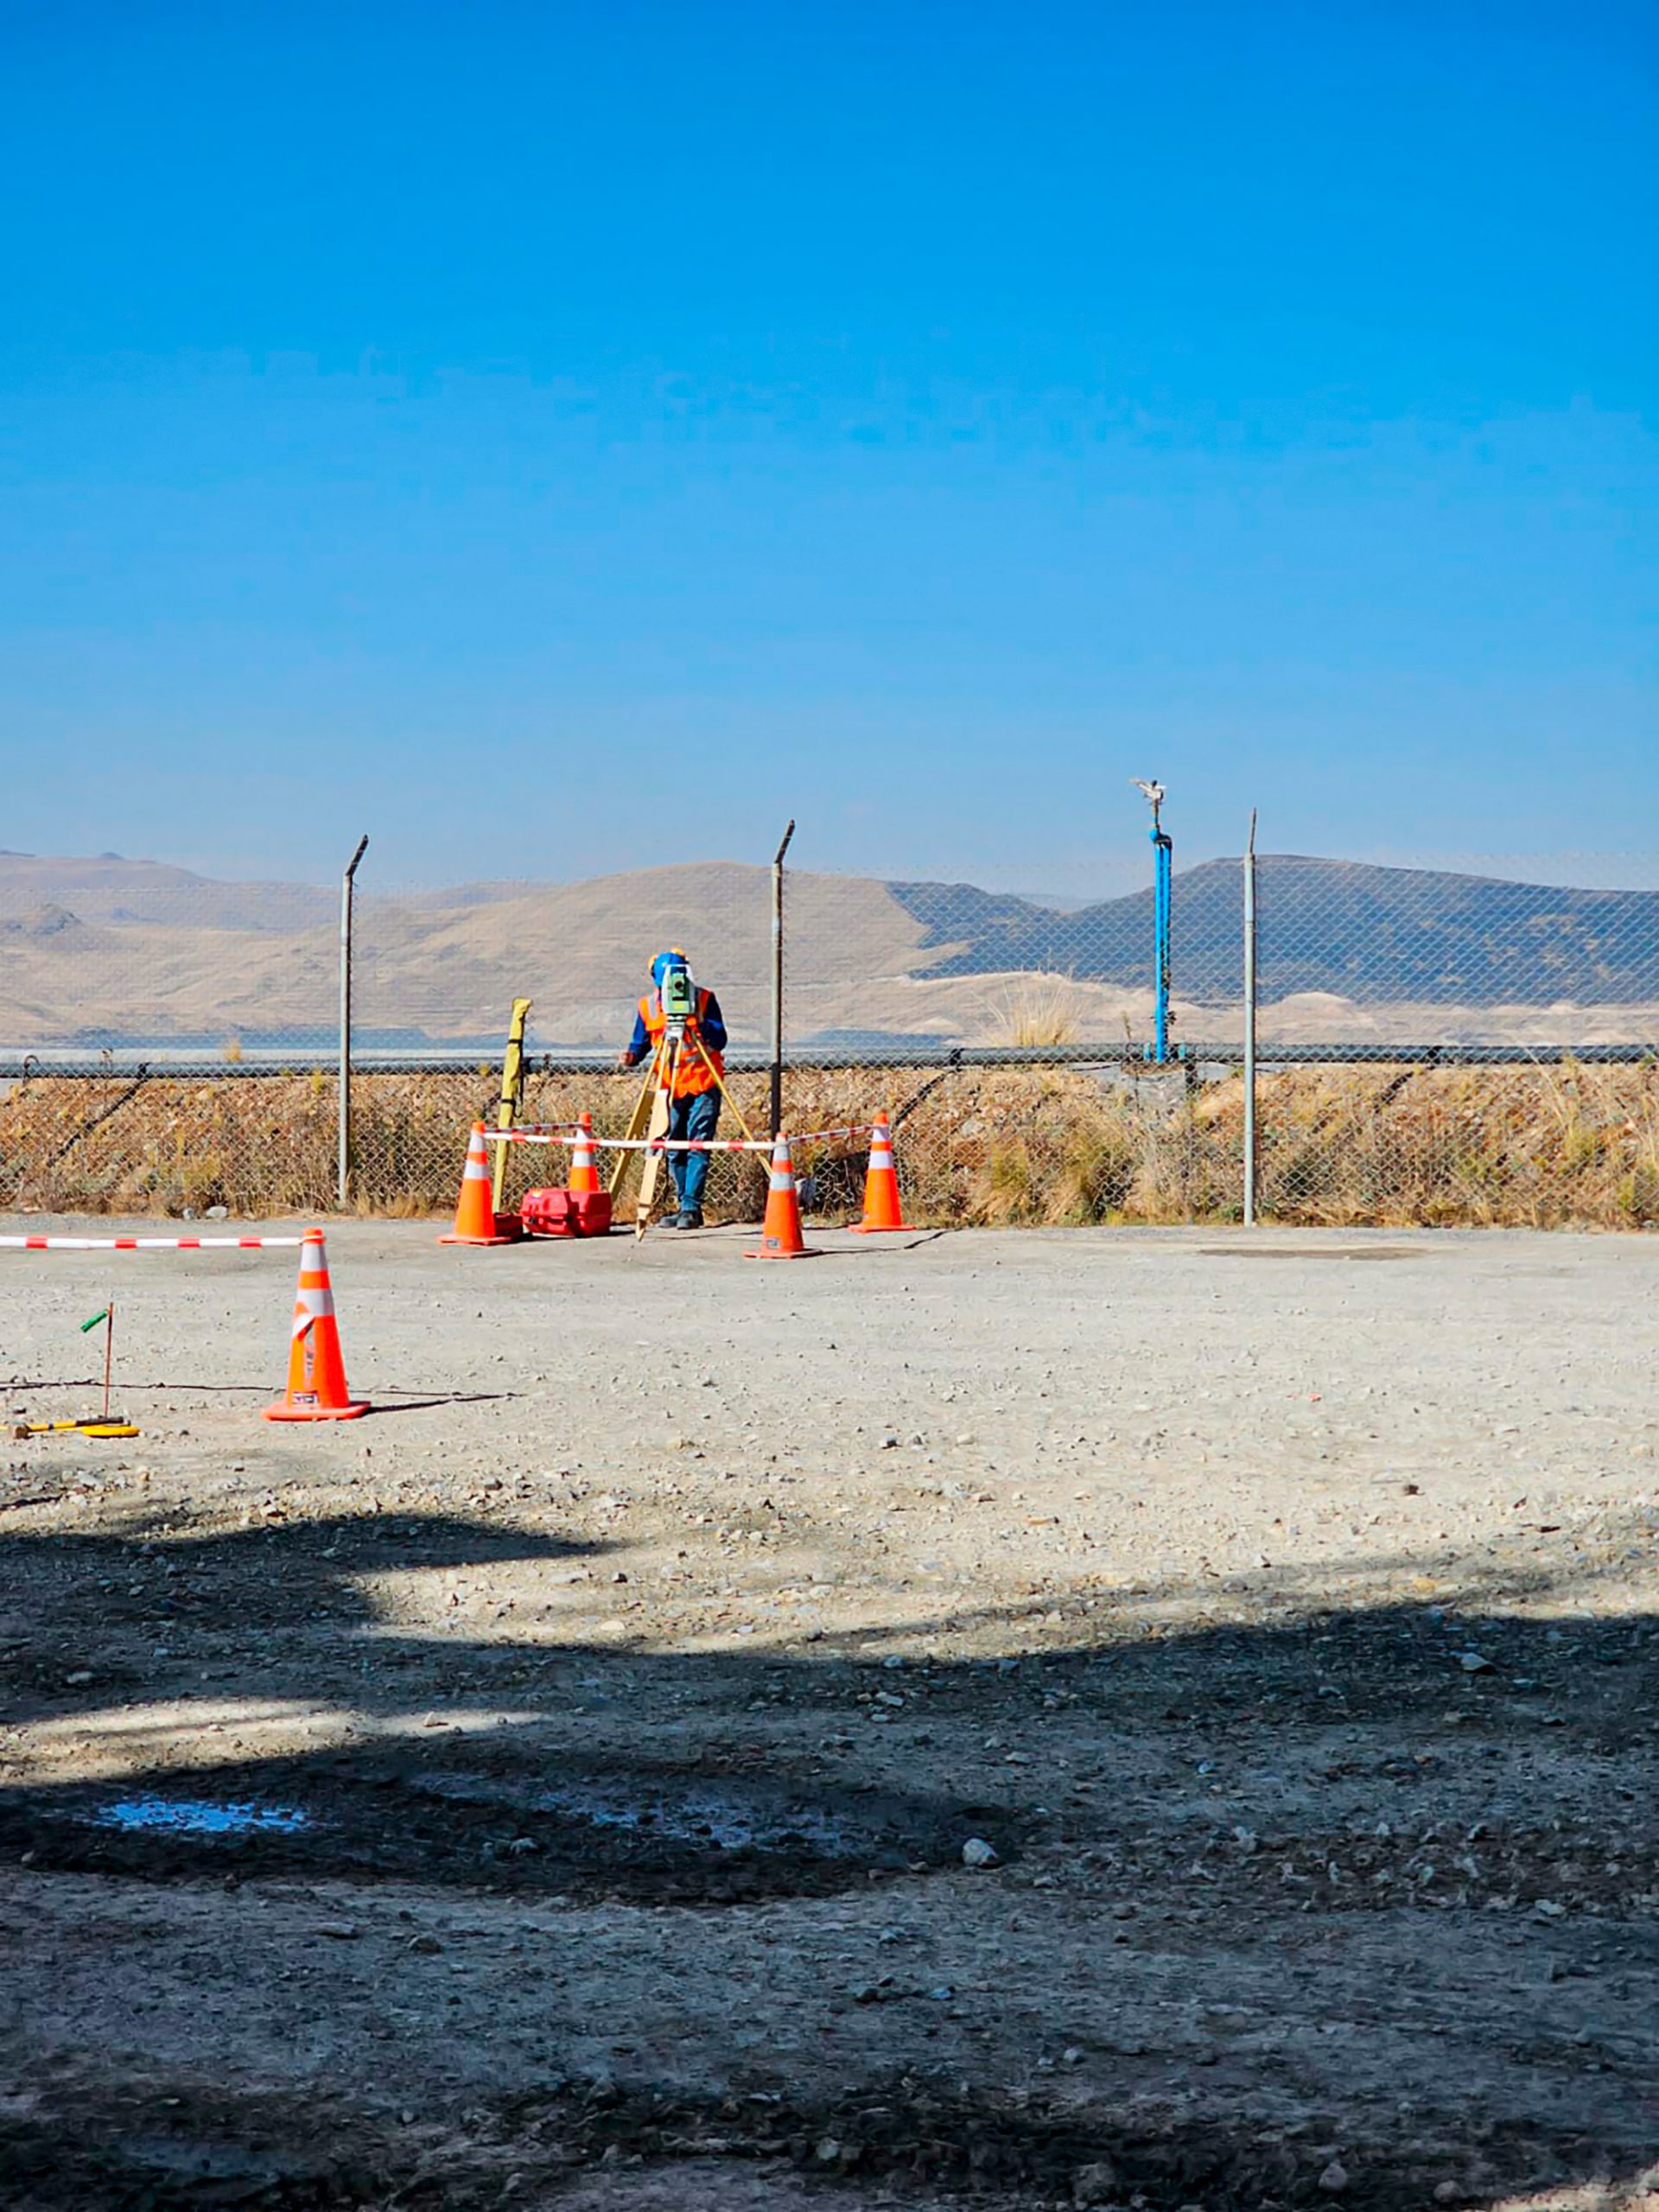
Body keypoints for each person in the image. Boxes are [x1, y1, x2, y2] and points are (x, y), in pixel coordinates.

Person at [619, 948, 728, 1229]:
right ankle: (684, 1206)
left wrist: (697, 1022)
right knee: (673, 1147)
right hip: (670, 1086)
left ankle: (692, 1207)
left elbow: (720, 1039)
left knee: (697, 1144)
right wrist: (631, 1057)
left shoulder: (704, 1000)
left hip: (704, 1081)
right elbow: (640, 1042)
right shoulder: (648, 1007)